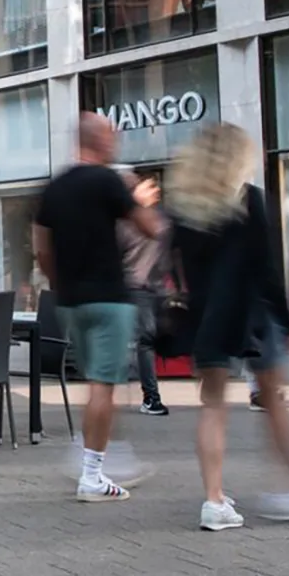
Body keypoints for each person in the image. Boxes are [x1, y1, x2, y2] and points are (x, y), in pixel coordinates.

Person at [168, 125, 289, 531]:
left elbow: (178, 267)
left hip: (208, 315)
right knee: (273, 398)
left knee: (213, 406)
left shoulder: (184, 206)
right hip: (252, 313)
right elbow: (266, 267)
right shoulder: (248, 200)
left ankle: (214, 499)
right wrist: (288, 322)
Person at [33, 113, 160, 503]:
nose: (116, 141)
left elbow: (41, 250)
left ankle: (99, 452)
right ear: (99, 140)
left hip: (71, 301)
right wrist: (141, 200)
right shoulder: (108, 181)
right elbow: (150, 228)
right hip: (109, 298)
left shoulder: (53, 189)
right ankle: (92, 472)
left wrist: (60, 285)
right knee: (104, 387)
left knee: (96, 385)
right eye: (112, 135)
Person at [117, 169, 169, 417]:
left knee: (153, 338)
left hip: (157, 286)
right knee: (146, 339)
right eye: (148, 187)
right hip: (137, 287)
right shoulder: (125, 222)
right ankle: (151, 397)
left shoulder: (158, 217)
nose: (155, 191)